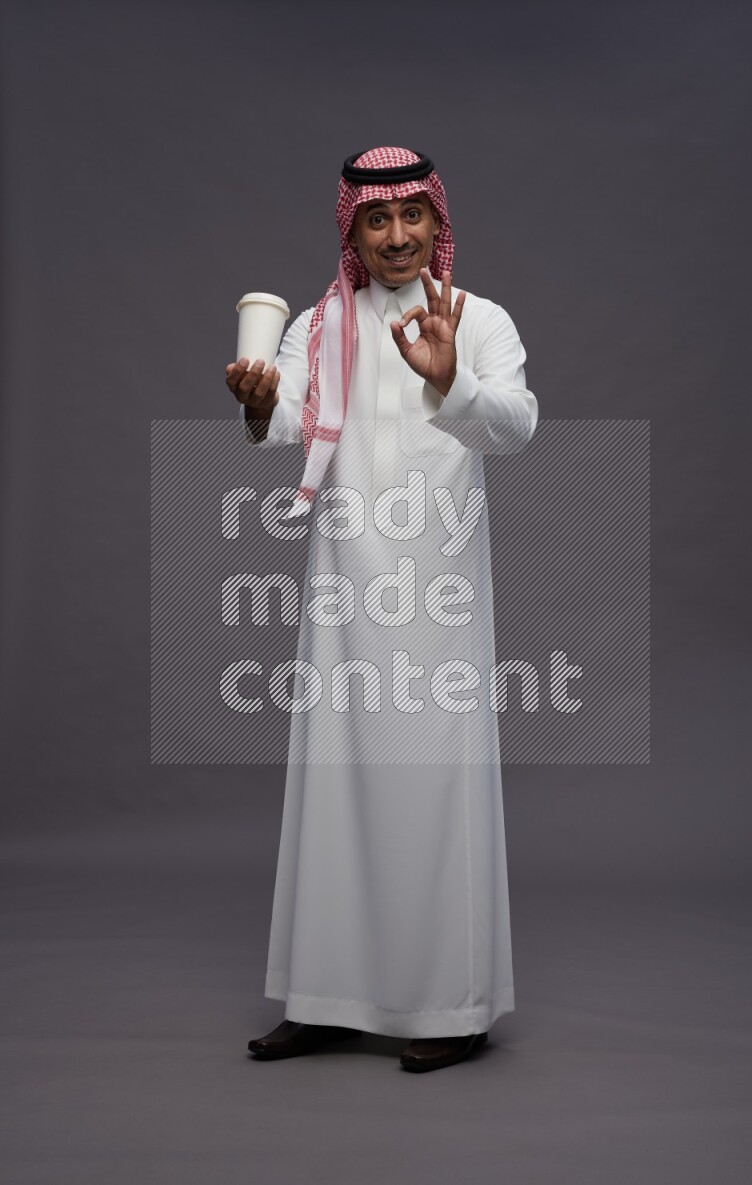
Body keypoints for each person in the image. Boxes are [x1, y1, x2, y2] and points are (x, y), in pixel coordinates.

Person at [226, 147, 538, 1072]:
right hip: (342, 590)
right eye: (378, 219)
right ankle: (327, 999)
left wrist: (450, 379)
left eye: (413, 216)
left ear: (437, 222)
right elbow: (284, 424)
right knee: (334, 787)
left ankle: (454, 1006)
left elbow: (516, 426)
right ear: (353, 232)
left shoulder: (479, 319)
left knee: (436, 791)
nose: (398, 236)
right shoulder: (320, 323)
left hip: (438, 593)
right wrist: (257, 402)